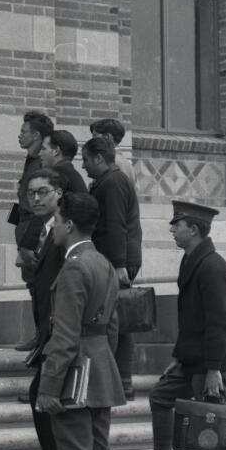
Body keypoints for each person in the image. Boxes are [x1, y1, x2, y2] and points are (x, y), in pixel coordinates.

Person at [126, 200, 226, 450]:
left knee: (218, 424)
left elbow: (219, 323)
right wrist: (179, 357)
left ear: (194, 229)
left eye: (177, 224)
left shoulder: (212, 266)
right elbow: (191, 319)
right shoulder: (193, 260)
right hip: (193, 360)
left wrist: (215, 369)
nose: (172, 229)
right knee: (161, 396)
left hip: (212, 364)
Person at [34, 192, 123, 450]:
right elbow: (114, 326)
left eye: (56, 218)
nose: (52, 225)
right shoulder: (103, 262)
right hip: (101, 368)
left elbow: (65, 336)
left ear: (69, 224)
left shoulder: (73, 268)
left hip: (75, 375)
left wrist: (48, 388)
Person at [22, 168, 70, 450]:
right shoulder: (41, 231)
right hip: (48, 334)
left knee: (49, 408)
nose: (35, 198)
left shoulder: (67, 233)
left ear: (59, 194)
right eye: (31, 193)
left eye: (43, 192)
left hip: (62, 339)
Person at [82, 135, 143, 399]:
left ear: (98, 158)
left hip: (116, 260)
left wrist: (119, 265)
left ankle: (121, 382)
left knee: (118, 320)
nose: (83, 167)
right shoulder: (109, 181)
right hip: (115, 258)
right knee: (120, 318)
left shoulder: (113, 183)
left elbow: (117, 225)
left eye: (86, 160)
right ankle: (123, 381)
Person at [13, 110, 54, 351]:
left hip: (35, 233)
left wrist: (27, 241)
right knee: (32, 284)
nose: (19, 136)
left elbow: (39, 209)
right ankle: (40, 333)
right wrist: (14, 228)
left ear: (36, 135)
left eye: (23, 132)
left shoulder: (40, 163)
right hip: (25, 229)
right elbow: (20, 201)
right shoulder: (30, 161)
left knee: (39, 285)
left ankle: (42, 335)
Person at [40, 129, 87, 194]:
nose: (39, 153)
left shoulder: (56, 175)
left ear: (56, 151)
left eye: (43, 149)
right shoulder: (74, 175)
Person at [89, 117, 135, 184]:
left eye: (95, 136)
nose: (92, 140)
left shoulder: (110, 161)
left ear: (107, 137)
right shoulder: (127, 163)